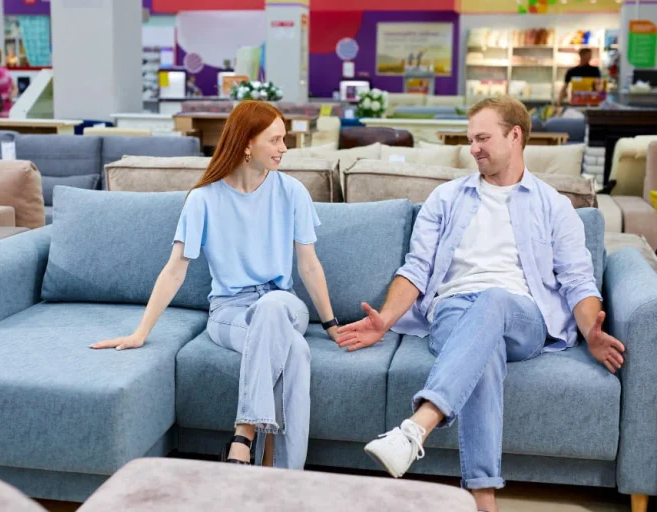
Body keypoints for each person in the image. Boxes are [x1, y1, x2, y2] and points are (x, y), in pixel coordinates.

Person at [337, 96, 625, 512]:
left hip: (522, 315)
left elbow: (578, 281)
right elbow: (416, 269)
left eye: (483, 138)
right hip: (453, 309)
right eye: (471, 139)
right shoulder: (446, 198)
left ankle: (418, 426)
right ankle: (483, 499)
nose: (474, 148)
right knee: (482, 352)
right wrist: (385, 320)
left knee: (493, 301)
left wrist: (591, 333)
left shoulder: (554, 206)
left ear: (515, 136)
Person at [90, 100, 339, 469]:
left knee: (272, 308)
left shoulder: (292, 192)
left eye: (283, 139)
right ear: (246, 144)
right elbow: (175, 269)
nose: (284, 148)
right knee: (296, 353)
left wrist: (332, 325)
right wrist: (141, 332)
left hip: (284, 306)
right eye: (275, 140)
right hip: (230, 313)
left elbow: (309, 265)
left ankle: (242, 438)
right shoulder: (203, 199)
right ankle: (285, 478)